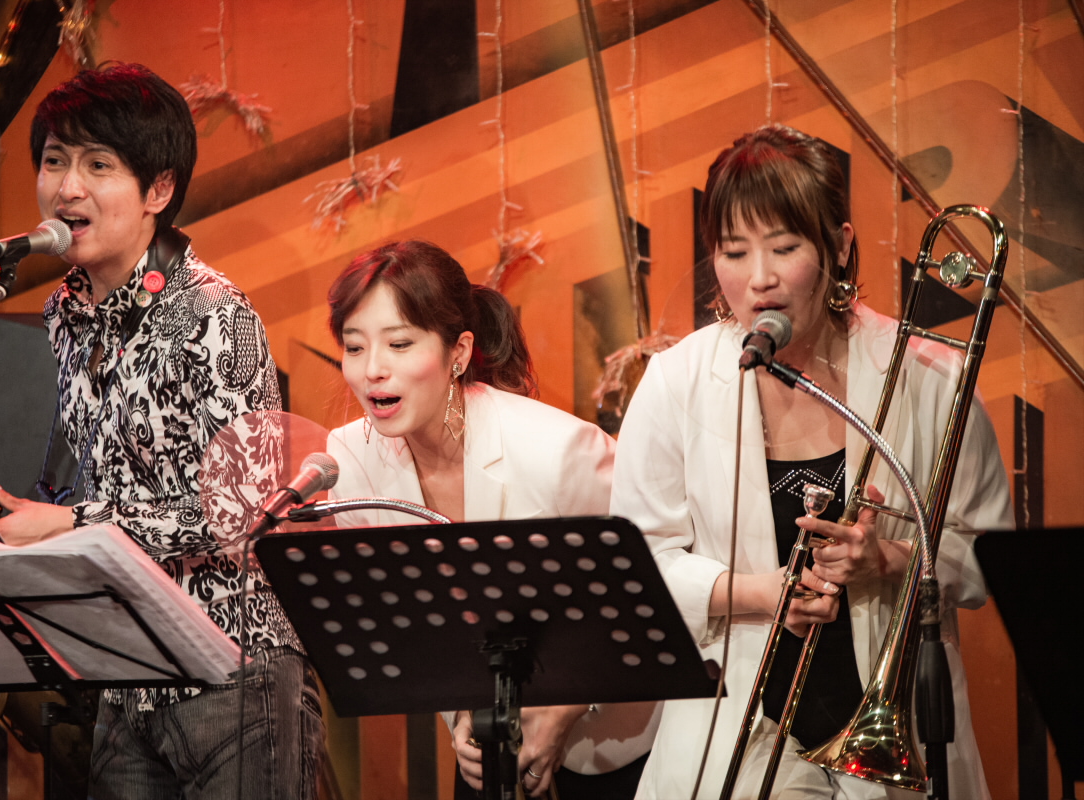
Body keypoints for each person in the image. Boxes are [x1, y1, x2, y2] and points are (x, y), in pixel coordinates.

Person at [609, 124, 1012, 799]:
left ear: (839, 246)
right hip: (734, 741)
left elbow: (985, 556)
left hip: (895, 742)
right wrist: (761, 594)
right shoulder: (677, 382)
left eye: (785, 246)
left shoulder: (931, 378)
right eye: (733, 252)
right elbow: (639, 565)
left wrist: (889, 559)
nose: (759, 278)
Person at [0, 63, 326, 799]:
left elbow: (246, 511)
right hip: (127, 668)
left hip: (235, 670)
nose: (67, 188)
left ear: (159, 190)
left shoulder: (213, 312)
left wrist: (73, 522)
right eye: (55, 161)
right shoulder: (65, 314)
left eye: (98, 165)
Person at [325, 239, 661, 799]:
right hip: (489, 736)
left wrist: (563, 710)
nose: (372, 371)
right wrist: (462, 712)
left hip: (615, 741)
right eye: (354, 347)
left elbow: (653, 590)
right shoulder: (351, 462)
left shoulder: (559, 451)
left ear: (458, 352)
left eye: (400, 344)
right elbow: (417, 627)